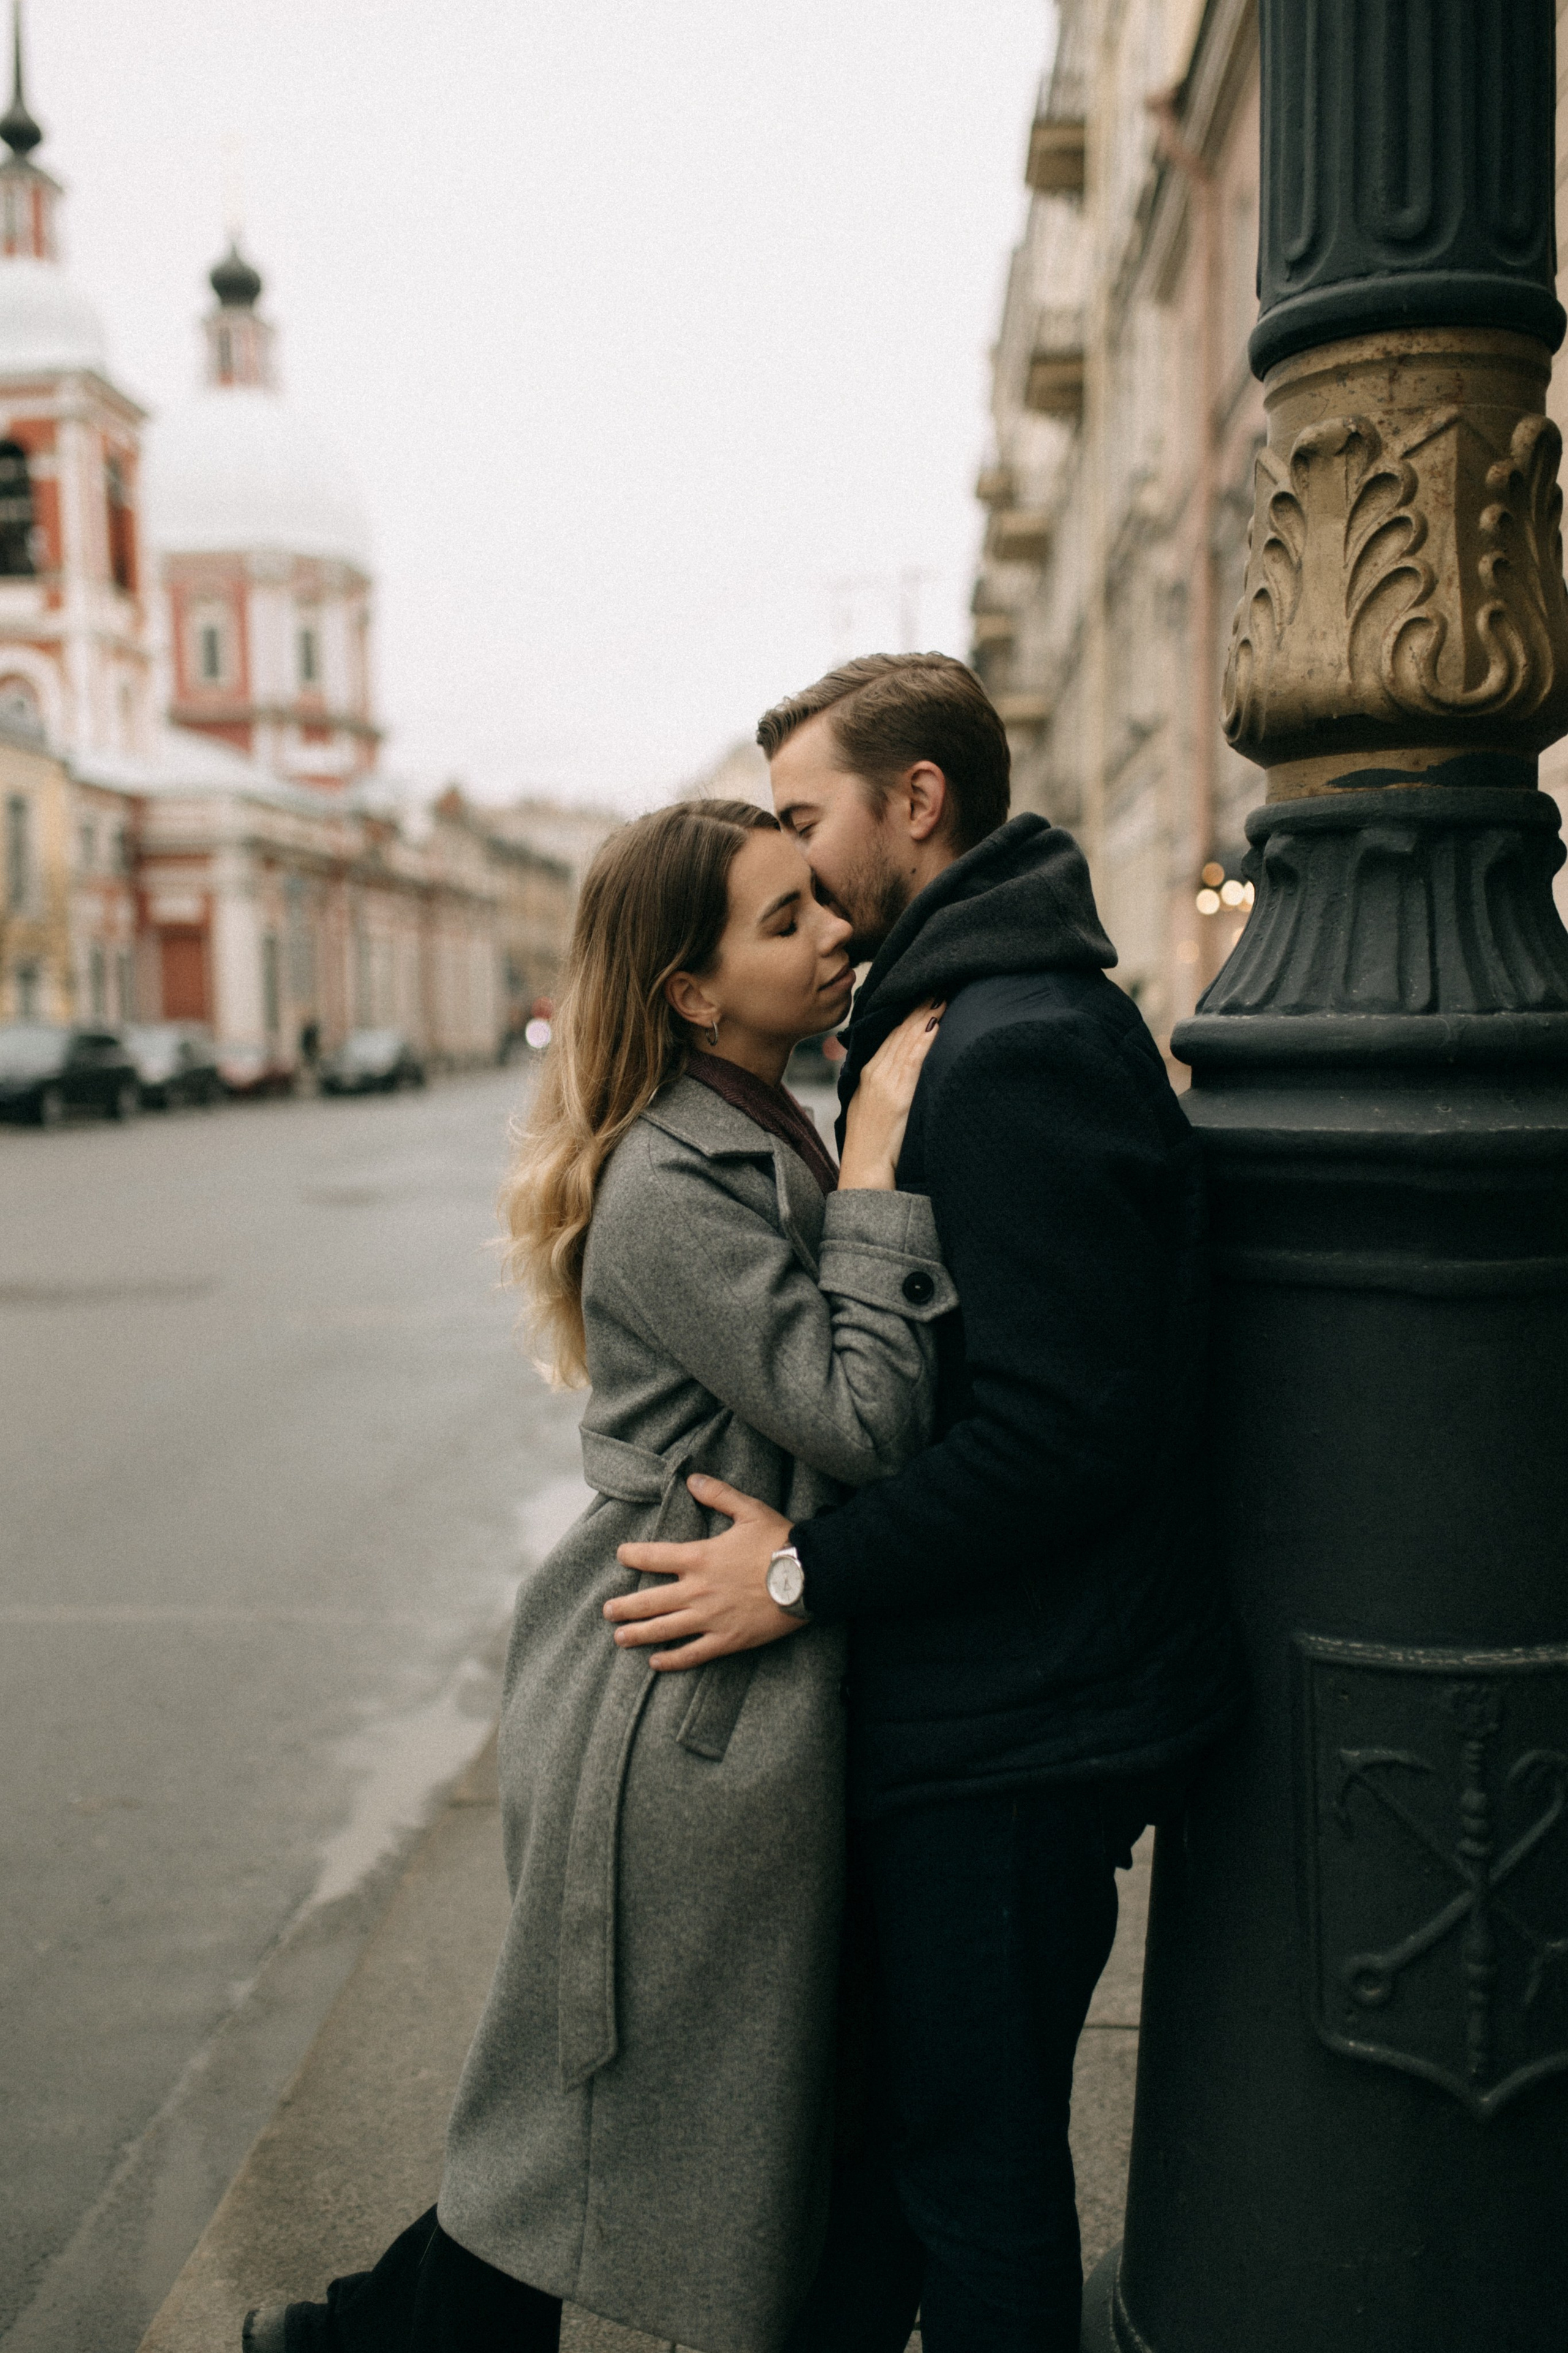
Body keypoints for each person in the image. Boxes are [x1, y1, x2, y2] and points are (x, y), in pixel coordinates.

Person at [243, 798, 956, 2353]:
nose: (837, 931)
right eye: (784, 919)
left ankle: (347, 2336)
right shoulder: (672, 1179)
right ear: (689, 991)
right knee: (599, 2104)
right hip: (673, 1710)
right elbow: (862, 1417)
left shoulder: (756, 1114)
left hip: (711, 1669)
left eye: (820, 899)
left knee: (600, 2109)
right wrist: (877, 1170)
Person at [610, 655, 1243, 2353]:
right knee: (902, 2146)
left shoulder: (1009, 1046)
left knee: (973, 2172)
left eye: (805, 819)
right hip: (984, 1697)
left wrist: (800, 1575)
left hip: (1019, 1724)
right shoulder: (946, 1019)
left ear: (916, 802)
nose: (796, 862)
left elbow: (1060, 1435)